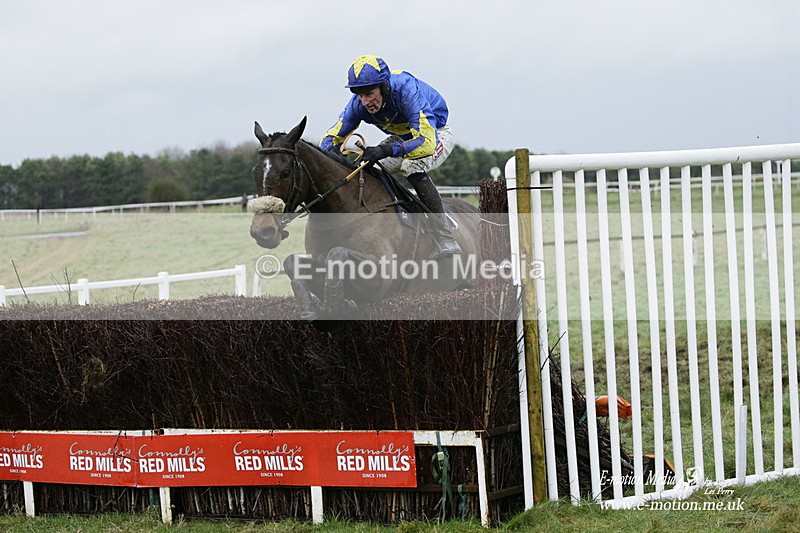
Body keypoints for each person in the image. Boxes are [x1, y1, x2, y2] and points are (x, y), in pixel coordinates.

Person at [319, 54, 461, 257]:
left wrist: (386, 150)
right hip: (402, 138)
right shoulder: (357, 105)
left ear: (384, 87)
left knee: (412, 167)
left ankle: (445, 236)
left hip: (435, 134)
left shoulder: (407, 90)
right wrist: (330, 155)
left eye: (369, 93)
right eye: (360, 94)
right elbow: (331, 138)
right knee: (370, 168)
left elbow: (426, 143)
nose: (366, 101)